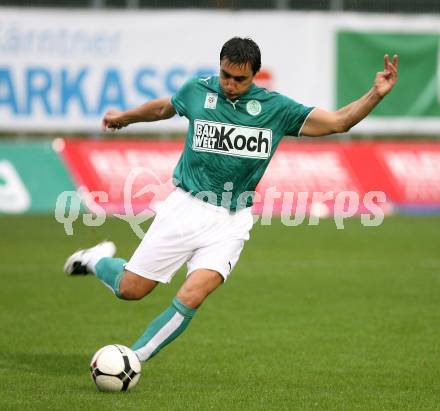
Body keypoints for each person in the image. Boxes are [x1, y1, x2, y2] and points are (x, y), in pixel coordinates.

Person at [64, 37, 398, 363]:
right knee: (131, 289)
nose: (230, 84)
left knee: (193, 294)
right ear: (219, 67)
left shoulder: (276, 109)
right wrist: (125, 116)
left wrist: (375, 94)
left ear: (254, 76)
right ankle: (96, 259)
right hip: (185, 208)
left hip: (231, 221)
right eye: (226, 75)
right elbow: (164, 108)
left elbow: (339, 121)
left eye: (240, 79)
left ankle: (133, 358)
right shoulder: (198, 90)